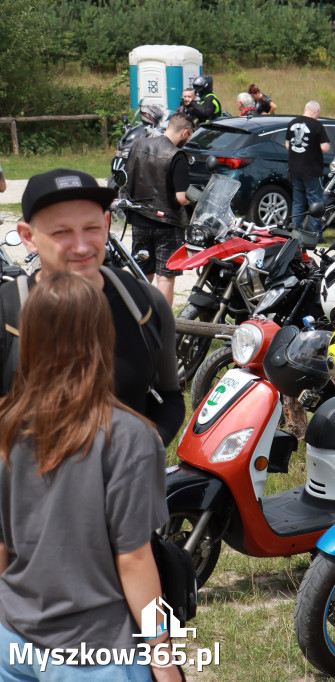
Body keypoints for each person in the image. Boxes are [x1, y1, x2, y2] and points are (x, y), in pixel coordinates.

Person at [0, 272, 181, 682]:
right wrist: (163, 660)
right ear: (104, 340)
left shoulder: (7, 425)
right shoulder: (133, 437)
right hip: (95, 652)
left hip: (12, 640)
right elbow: (135, 559)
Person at [0, 168, 184, 446]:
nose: (82, 246)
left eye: (92, 228)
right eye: (61, 232)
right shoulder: (7, 312)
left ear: (107, 223)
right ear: (28, 237)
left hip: (127, 484)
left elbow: (169, 398)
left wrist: (148, 447)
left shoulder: (143, 303)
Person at [123, 112, 195, 307]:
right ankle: (163, 324)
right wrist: (197, 198)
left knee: (142, 273)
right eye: (188, 137)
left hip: (139, 219)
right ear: (185, 132)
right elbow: (181, 198)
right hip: (167, 225)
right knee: (165, 276)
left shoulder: (138, 145)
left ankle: (137, 316)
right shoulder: (177, 155)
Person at [285, 101, 330, 236]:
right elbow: (325, 148)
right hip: (311, 170)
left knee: (298, 202)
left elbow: (288, 145)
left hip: (294, 169)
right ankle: (315, 233)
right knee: (315, 202)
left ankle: (295, 231)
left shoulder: (292, 123)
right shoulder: (317, 125)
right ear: (316, 112)